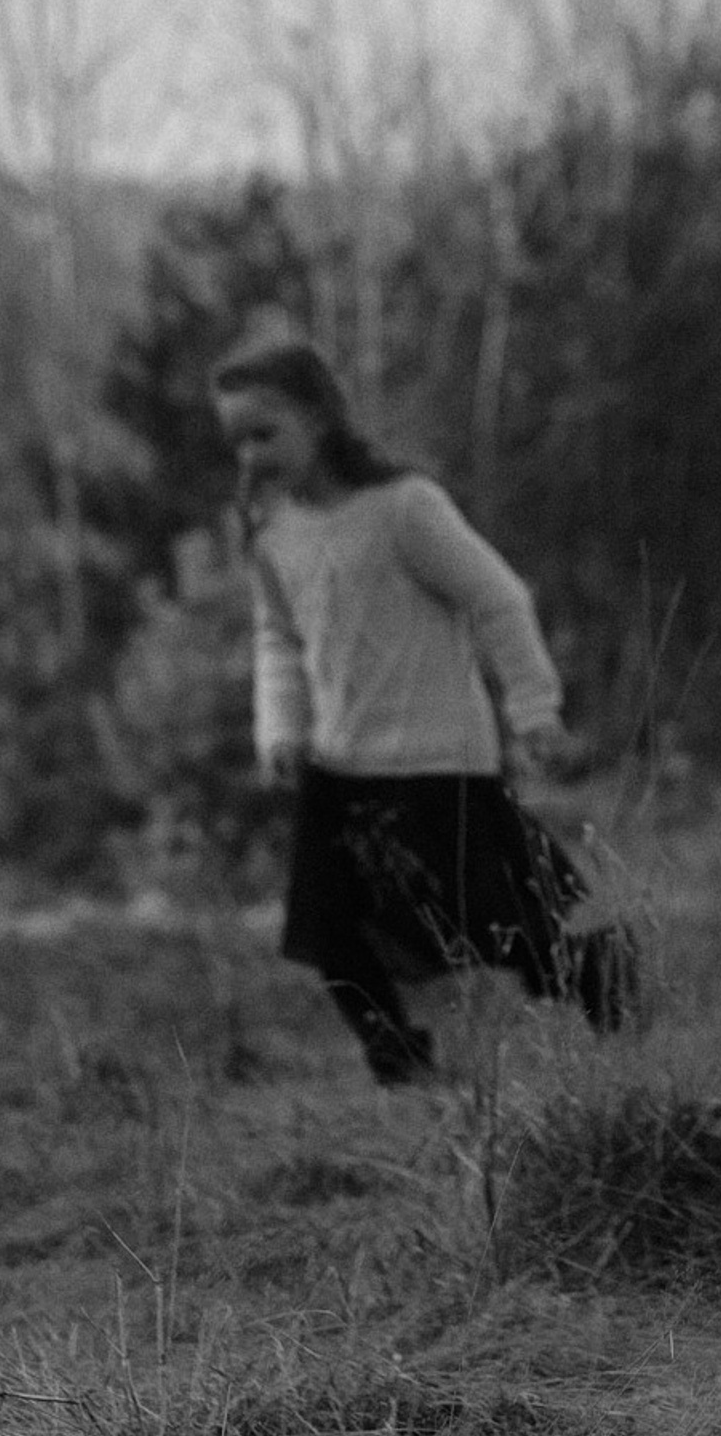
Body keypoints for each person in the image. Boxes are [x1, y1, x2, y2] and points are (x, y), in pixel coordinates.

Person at [213, 330, 634, 1084]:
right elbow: (277, 639)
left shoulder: (405, 508)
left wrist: (534, 710)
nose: (251, 455)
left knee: (492, 926)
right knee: (330, 932)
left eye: (265, 433)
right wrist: (279, 731)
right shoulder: (274, 537)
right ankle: (399, 1062)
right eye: (238, 441)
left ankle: (598, 973)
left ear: (319, 417)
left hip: (440, 762)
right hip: (340, 765)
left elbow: (499, 599)